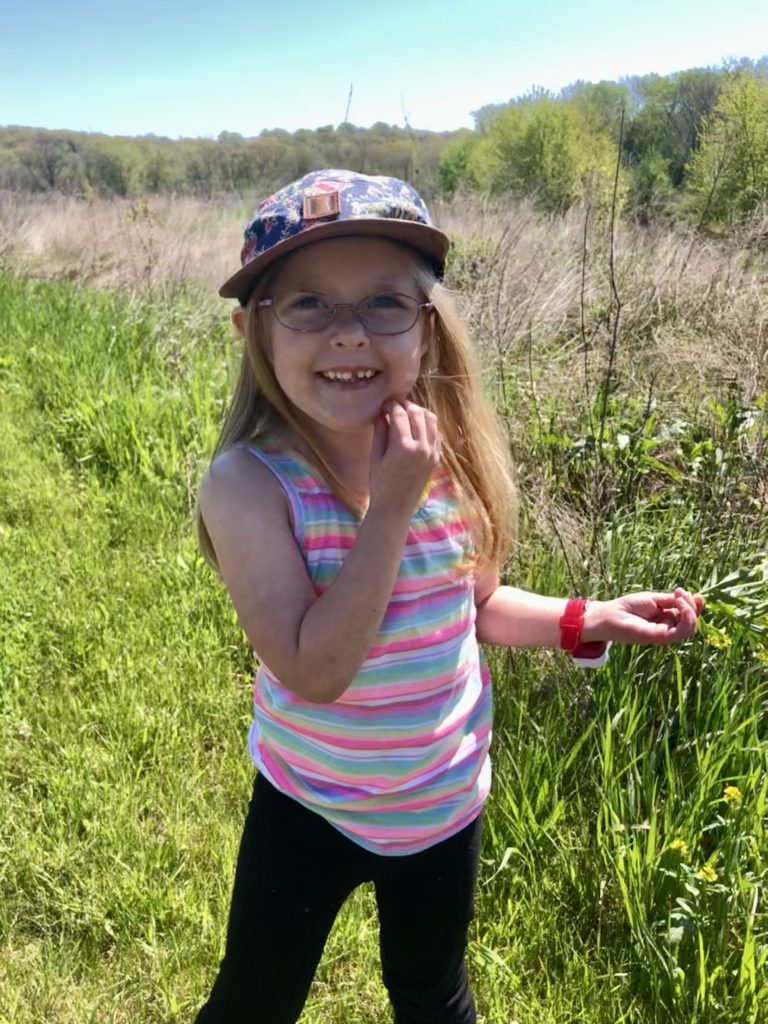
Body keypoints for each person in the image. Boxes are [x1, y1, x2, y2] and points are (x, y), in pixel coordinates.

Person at [194, 169, 702, 1024]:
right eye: (308, 303)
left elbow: (475, 607)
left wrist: (587, 617)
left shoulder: (444, 459)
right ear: (255, 330)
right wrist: (391, 507)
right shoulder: (249, 484)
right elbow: (315, 670)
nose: (348, 332)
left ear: (426, 327)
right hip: (309, 801)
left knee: (433, 995)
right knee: (255, 1002)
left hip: (443, 803)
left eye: (384, 302)